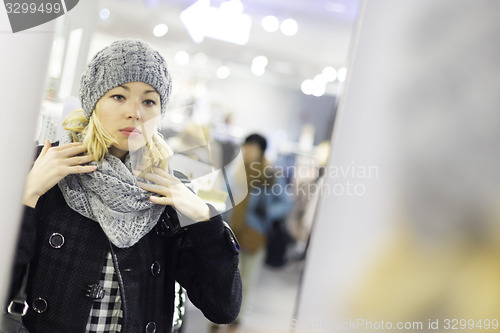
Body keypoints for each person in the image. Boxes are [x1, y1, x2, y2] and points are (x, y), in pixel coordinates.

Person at [6, 39, 242, 333]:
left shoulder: (169, 190)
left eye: (149, 101)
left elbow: (222, 308)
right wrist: (26, 196)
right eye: (119, 96)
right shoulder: (43, 164)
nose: (135, 112)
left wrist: (205, 220)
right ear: (94, 101)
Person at [224, 133, 292, 329]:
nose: (248, 152)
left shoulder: (270, 176)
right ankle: (219, 316)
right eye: (246, 147)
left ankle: (237, 318)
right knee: (226, 275)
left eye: (253, 148)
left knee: (246, 279)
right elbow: (222, 195)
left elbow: (287, 203)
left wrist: (268, 211)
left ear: (261, 151)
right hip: (230, 233)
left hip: (254, 235)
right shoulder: (234, 171)